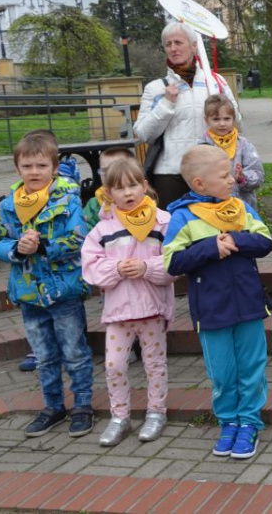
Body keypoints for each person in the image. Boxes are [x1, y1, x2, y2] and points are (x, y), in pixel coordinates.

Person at [163, 145, 272, 459]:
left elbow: (265, 241)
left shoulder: (239, 208)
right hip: (211, 311)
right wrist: (211, 247)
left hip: (249, 305)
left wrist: (236, 239)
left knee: (252, 367)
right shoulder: (182, 216)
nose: (231, 181)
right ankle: (228, 421)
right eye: (224, 176)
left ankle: (249, 422)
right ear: (199, 184)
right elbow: (171, 261)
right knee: (223, 373)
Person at [0, 132, 94, 438]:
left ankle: (83, 406)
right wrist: (16, 249)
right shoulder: (9, 205)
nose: (34, 172)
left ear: (54, 167)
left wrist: (44, 246)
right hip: (28, 294)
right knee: (45, 356)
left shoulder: (67, 199)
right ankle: (53, 406)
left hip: (64, 292)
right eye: (27, 166)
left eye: (41, 166)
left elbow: (79, 238)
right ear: (17, 169)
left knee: (75, 352)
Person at [81, 157, 177, 445]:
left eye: (134, 184)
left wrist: (148, 268)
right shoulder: (102, 230)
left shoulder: (163, 222)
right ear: (109, 194)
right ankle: (120, 417)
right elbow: (90, 266)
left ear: (145, 186)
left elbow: (176, 261)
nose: (128, 192)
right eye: (119, 188)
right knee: (114, 365)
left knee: (154, 364)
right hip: (118, 312)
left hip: (152, 309)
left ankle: (156, 412)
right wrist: (115, 269)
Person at [134, 22, 241, 209]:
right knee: (175, 230)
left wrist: (221, 106)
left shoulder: (215, 82)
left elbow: (237, 123)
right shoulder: (156, 88)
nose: (173, 48)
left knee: (213, 231)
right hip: (170, 174)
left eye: (178, 42)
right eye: (168, 44)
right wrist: (166, 103)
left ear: (193, 46)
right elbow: (143, 134)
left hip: (210, 171)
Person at [200, 94, 265, 209]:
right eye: (216, 119)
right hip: (212, 207)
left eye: (226, 118)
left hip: (243, 206)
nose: (222, 124)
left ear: (233, 119)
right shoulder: (202, 147)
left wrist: (243, 177)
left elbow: (258, 175)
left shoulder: (244, 145)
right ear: (206, 120)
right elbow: (196, 178)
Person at [82, 147, 137, 230]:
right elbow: (86, 231)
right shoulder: (94, 204)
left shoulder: (139, 200)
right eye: (104, 171)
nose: (109, 175)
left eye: (116, 169)